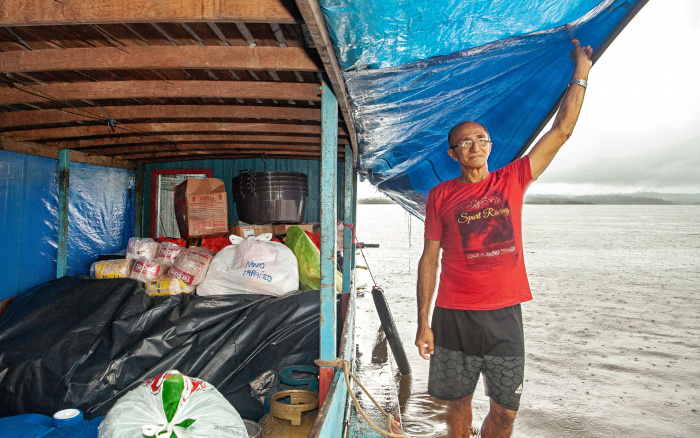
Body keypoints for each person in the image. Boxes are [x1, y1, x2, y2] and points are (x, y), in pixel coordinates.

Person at [414, 39, 593, 438]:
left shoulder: (513, 179)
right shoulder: (440, 196)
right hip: (453, 314)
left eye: (482, 139)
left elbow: (560, 131)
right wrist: (423, 322)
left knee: (506, 413)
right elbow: (429, 259)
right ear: (452, 154)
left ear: (491, 146)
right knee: (457, 403)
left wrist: (581, 72)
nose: (475, 145)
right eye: (465, 142)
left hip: (504, 316)